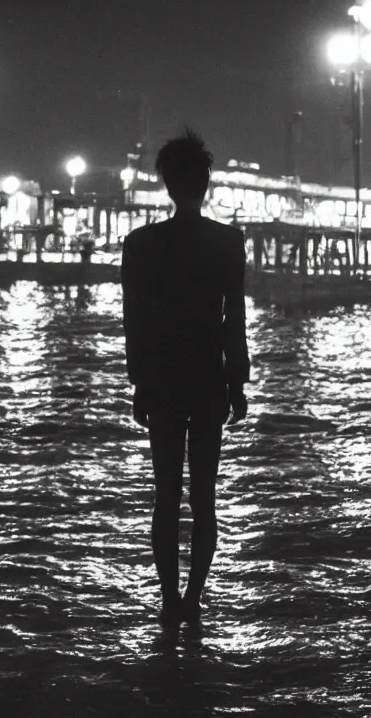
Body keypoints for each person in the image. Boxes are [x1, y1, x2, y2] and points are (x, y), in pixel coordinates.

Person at [120, 129, 249, 628]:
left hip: (163, 379)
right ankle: (195, 598)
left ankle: (169, 601)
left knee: (165, 495)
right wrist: (237, 382)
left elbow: (136, 322)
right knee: (205, 498)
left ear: (167, 186)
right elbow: (232, 319)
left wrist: (139, 382)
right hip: (208, 379)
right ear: (207, 183)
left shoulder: (142, 244)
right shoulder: (227, 242)